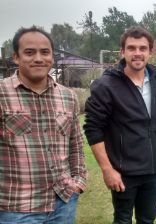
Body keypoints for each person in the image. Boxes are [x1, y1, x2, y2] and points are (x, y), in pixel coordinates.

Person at [0, 26, 87, 223]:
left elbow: (76, 145)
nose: (38, 58)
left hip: (63, 203)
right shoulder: (2, 94)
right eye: (29, 52)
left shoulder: (68, 96)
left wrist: (78, 182)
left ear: (52, 57)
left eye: (45, 52)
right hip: (17, 208)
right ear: (16, 57)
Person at [84, 27, 156, 224]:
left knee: (147, 220)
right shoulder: (106, 85)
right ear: (122, 52)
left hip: (154, 171)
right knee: (122, 220)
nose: (137, 53)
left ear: (150, 51)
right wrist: (107, 169)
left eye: (142, 48)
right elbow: (93, 129)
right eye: (131, 48)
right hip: (123, 173)